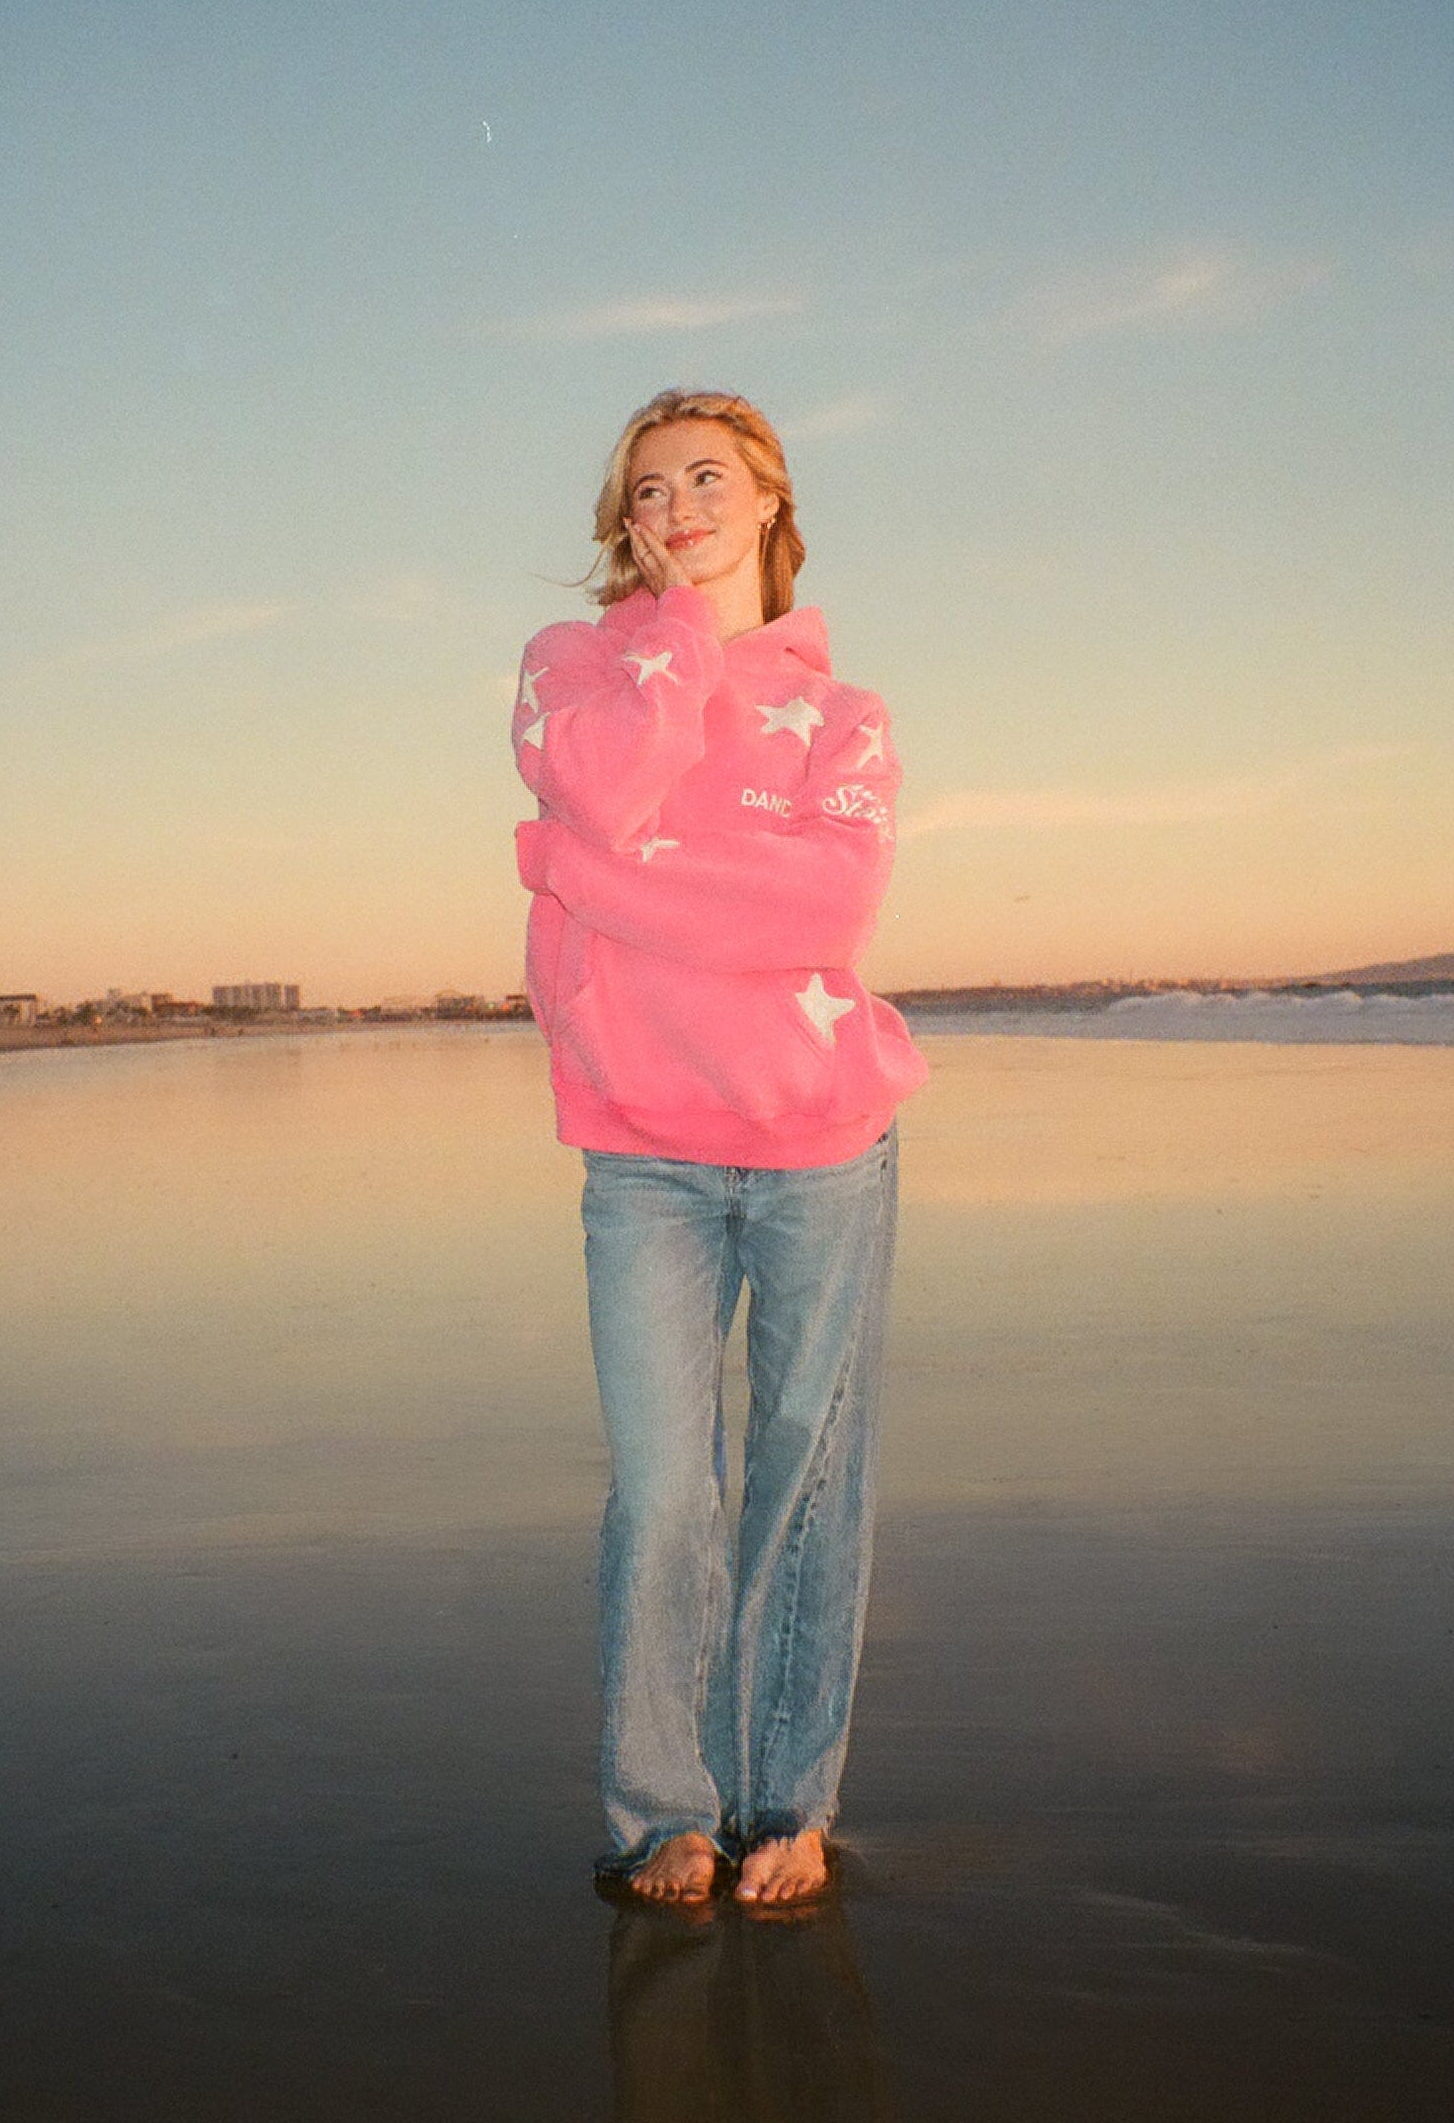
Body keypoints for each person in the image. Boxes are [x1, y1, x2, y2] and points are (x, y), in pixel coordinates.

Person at [511, 389, 927, 1907]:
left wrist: (586, 877)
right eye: (646, 490)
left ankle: (786, 1805)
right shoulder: (573, 671)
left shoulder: (848, 714)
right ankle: (658, 1811)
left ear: (767, 499)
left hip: (824, 1141)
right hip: (642, 1156)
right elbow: (607, 788)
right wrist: (676, 648)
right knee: (665, 1489)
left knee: (805, 1479)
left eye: (706, 478)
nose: (676, 504)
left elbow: (819, 916)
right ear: (625, 525)